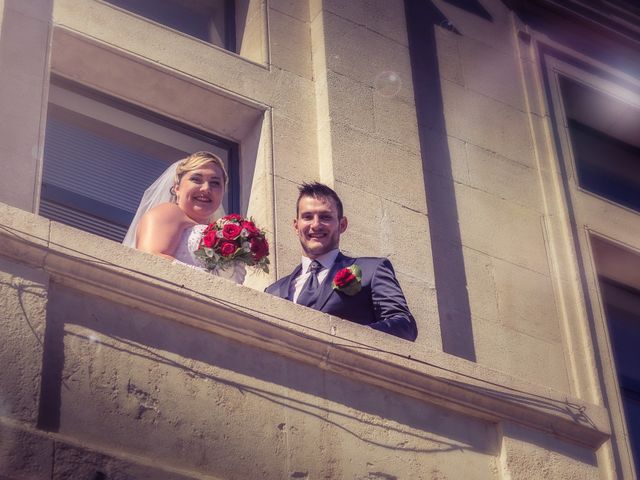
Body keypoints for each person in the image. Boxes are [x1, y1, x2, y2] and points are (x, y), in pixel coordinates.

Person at [265, 182, 418, 341]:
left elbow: (404, 326)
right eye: (307, 217)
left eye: (325, 217)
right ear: (296, 226)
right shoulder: (273, 292)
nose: (316, 225)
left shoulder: (372, 271)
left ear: (342, 225)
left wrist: (347, 338)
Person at [122, 151, 245, 283]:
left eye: (215, 183)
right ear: (177, 188)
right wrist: (211, 281)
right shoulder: (169, 212)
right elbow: (149, 259)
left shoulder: (222, 233)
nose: (206, 188)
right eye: (196, 179)